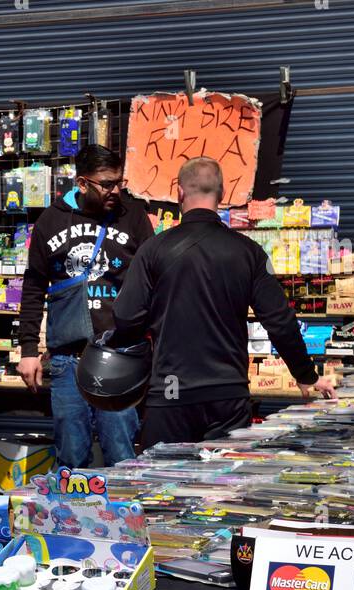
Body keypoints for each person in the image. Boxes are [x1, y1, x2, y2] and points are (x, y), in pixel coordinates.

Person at [113, 156, 337, 449]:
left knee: (160, 487)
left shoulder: (153, 249)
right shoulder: (249, 252)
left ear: (180, 192)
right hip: (228, 395)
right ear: (221, 195)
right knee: (223, 491)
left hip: (171, 393)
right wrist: (305, 375)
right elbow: (280, 320)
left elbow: (127, 316)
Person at [17, 144, 155, 467]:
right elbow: (34, 287)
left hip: (120, 357)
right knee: (71, 460)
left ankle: (123, 517)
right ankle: (70, 518)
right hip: (68, 359)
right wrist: (26, 351)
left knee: (122, 457)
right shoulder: (51, 221)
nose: (115, 191)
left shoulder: (132, 217)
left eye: (119, 182)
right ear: (81, 183)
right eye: (107, 184)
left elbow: (154, 281)